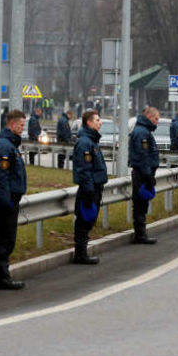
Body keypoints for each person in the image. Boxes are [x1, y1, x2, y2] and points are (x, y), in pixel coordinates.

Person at [0, 110, 28, 290]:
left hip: (10, 199)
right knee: (4, 238)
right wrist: (6, 201)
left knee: (8, 238)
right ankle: (2, 276)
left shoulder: (11, 145)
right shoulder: (5, 146)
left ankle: (3, 274)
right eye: (21, 125)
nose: (23, 128)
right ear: (12, 125)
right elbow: (1, 176)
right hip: (6, 201)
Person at [71, 109, 107, 264]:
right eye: (97, 120)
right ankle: (80, 253)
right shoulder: (85, 142)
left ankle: (82, 252)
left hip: (94, 187)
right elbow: (84, 169)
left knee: (88, 220)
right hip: (89, 189)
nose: (100, 122)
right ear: (89, 122)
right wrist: (89, 190)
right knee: (83, 221)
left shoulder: (92, 141)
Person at [128, 107, 160, 244]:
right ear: (148, 116)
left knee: (142, 203)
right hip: (142, 173)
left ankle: (141, 233)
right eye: (155, 118)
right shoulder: (142, 133)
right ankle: (140, 234)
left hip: (144, 172)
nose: (156, 122)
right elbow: (143, 156)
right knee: (140, 204)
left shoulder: (145, 131)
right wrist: (148, 175)